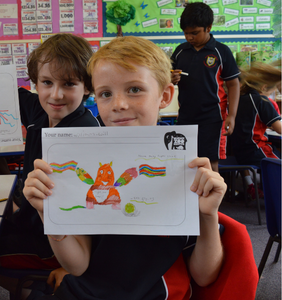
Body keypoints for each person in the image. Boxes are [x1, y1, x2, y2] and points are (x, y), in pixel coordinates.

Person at [23, 36, 226, 300]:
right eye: (106, 94)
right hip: (85, 292)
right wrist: (47, 211)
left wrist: (208, 217)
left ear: (164, 95)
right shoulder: (85, 160)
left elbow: (204, 275)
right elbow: (78, 265)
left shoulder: (185, 168)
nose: (118, 104)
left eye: (134, 89)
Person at [0, 34, 100, 297]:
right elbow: (1, 94)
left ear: (87, 87)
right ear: (36, 83)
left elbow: (81, 215)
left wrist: (16, 210)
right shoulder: (40, 110)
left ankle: (27, 290)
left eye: (69, 84)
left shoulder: (86, 133)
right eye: (46, 82)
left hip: (51, 240)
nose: (55, 94)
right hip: (28, 216)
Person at [170, 2, 240, 172]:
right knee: (184, 161)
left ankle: (214, 198)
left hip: (212, 118)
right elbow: (168, 77)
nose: (189, 37)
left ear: (208, 28)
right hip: (185, 116)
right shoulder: (180, 51)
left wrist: (232, 115)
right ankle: (189, 198)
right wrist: (171, 78)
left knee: (210, 162)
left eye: (194, 33)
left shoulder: (221, 52)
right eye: (186, 33)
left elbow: (233, 84)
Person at [231, 61, 281, 199]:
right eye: (272, 91)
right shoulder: (261, 101)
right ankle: (275, 196)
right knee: (278, 161)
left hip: (240, 151)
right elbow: (279, 129)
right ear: (264, 87)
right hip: (256, 149)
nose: (272, 94)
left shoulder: (239, 99)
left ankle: (265, 189)